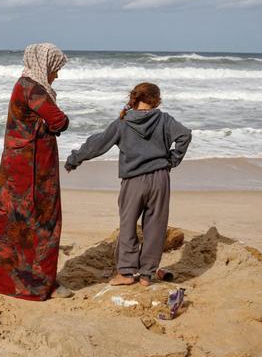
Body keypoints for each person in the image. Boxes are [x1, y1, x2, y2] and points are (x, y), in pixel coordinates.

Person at [64, 82, 192, 286]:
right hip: (160, 178)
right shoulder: (164, 119)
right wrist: (173, 159)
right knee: (155, 226)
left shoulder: (122, 123)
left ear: (134, 98)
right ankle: (146, 275)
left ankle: (126, 273)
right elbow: (185, 135)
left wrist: (74, 159)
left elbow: (98, 144)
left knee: (128, 226)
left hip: (134, 181)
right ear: (156, 100)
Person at [0, 43, 73, 300]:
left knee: (8, 220)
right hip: (32, 170)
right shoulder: (33, 88)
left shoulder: (23, 84)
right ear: (44, 65)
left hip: (15, 165)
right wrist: (53, 125)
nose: (56, 74)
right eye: (55, 68)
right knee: (41, 222)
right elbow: (59, 120)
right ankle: (39, 285)